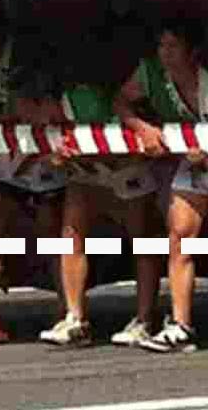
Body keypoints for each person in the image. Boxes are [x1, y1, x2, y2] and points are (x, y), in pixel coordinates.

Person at [116, 18, 208, 354]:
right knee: (179, 236)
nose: (165, 53)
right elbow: (120, 101)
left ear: (193, 53)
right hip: (190, 161)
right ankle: (181, 324)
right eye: (161, 45)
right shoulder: (150, 73)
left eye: (173, 46)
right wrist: (142, 128)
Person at [42, 75, 164, 349]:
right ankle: (75, 317)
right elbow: (48, 143)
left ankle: (145, 319)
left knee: (143, 241)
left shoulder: (123, 86)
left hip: (127, 168)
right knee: (71, 236)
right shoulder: (61, 98)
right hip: (88, 171)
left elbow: (143, 120)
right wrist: (57, 153)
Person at [0, 83, 69, 348]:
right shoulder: (12, 103)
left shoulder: (61, 100)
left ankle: (68, 312)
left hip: (51, 169)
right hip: (12, 164)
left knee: (54, 241)